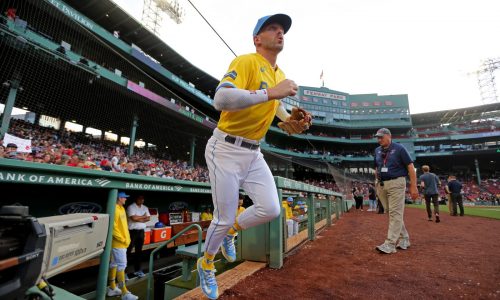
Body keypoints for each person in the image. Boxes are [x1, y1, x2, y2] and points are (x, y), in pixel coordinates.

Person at [198, 14, 311, 300]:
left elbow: (275, 110)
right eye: (272, 28)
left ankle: (233, 232)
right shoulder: (246, 61)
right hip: (225, 148)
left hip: (253, 152)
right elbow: (221, 100)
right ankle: (206, 262)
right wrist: (271, 92)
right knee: (221, 218)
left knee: (271, 209)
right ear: (257, 39)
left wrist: (290, 121)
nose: (280, 32)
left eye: (282, 29)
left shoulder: (277, 73)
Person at [374, 128, 418, 254]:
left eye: (381, 137)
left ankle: (390, 244)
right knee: (391, 212)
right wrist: (376, 182)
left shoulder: (399, 148)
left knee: (395, 213)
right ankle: (404, 239)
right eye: (378, 137)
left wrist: (413, 186)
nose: (379, 139)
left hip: (397, 182)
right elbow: (376, 167)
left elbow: (410, 166)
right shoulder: (377, 150)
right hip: (382, 184)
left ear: (389, 136)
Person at [107, 192, 138, 300]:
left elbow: (123, 226)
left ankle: (112, 288)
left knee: (114, 264)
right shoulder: (114, 208)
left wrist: (126, 239)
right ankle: (124, 293)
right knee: (122, 265)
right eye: (124, 197)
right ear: (119, 198)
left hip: (123, 243)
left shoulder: (121, 208)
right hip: (118, 244)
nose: (126, 199)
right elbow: (113, 227)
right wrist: (123, 239)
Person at [126, 195, 150, 278]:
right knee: (127, 252)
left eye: (143, 199)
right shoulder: (131, 207)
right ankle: (124, 272)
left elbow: (148, 218)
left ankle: (138, 270)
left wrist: (138, 218)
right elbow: (133, 218)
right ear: (136, 199)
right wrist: (143, 217)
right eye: (140, 198)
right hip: (132, 232)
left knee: (139, 252)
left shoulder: (145, 207)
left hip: (141, 232)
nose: (142, 200)